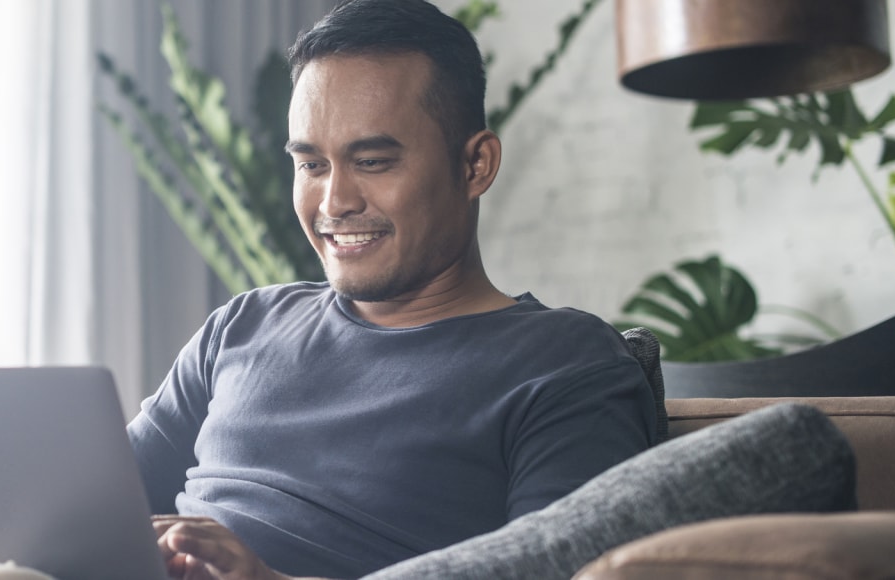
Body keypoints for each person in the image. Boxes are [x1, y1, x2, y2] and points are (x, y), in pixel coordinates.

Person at [128, 1, 659, 578]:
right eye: (311, 166)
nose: (335, 203)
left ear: (476, 164)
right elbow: (88, 508)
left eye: (374, 160)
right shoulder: (243, 325)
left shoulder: (563, 364)